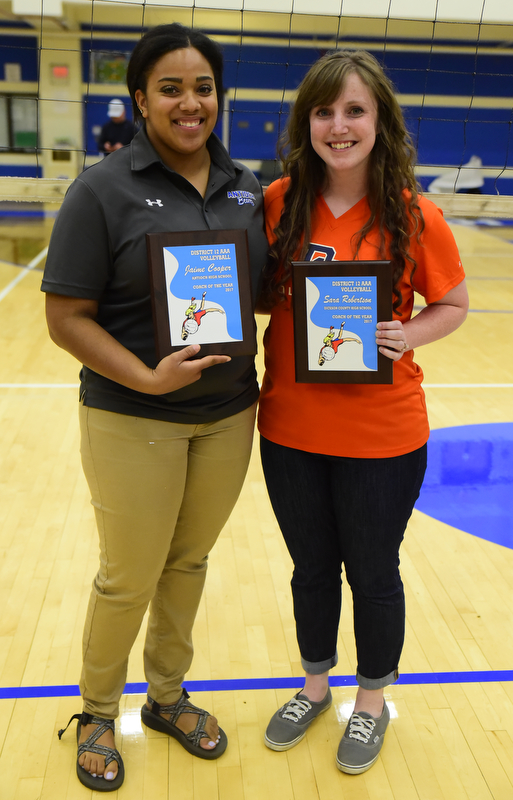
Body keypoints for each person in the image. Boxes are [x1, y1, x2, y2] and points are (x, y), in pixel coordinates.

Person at [42, 23, 267, 792]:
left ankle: (168, 697)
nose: (189, 102)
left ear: (218, 96)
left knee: (188, 563)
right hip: (132, 417)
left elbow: (264, 288)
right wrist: (145, 378)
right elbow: (65, 317)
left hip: (229, 413)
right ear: (140, 99)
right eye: (170, 88)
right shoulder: (101, 189)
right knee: (128, 575)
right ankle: (100, 711)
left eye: (202, 87)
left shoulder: (247, 184)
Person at [257, 50, 468, 775]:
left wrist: (407, 332)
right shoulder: (278, 201)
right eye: (323, 111)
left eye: (354, 111)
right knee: (309, 569)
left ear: (380, 121)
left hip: (382, 434)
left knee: (373, 572)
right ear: (305, 122)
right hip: (288, 428)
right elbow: (255, 291)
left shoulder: (415, 213)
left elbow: (453, 305)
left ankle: (370, 701)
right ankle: (314, 685)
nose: (338, 126)